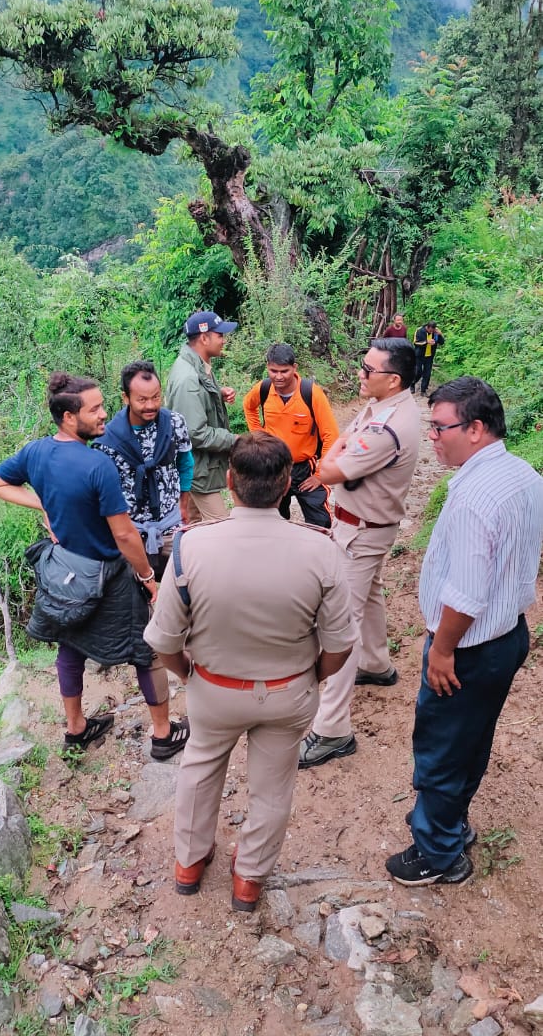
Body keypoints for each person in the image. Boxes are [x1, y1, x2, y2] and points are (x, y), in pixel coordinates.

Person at [144, 432, 357, 912]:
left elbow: (163, 640)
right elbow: (342, 645)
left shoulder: (190, 547)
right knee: (273, 784)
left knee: (199, 768)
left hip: (214, 688)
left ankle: (189, 864)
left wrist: (188, 675)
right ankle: (249, 879)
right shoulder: (321, 549)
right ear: (286, 486)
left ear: (230, 481)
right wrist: (308, 676)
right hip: (288, 691)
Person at [386, 377, 543, 887]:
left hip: (470, 644)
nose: (432, 437)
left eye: (439, 428)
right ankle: (450, 823)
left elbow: (469, 592)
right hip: (508, 635)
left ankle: (437, 852)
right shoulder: (523, 474)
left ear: (475, 429)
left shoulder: (476, 495)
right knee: (471, 738)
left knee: (442, 745)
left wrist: (442, 649)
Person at [0, 372, 187, 761]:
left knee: (71, 646)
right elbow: (125, 535)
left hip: (65, 573)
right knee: (146, 651)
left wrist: (40, 502)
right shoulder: (98, 466)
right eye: (94, 409)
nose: (103, 415)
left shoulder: (36, 453)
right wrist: (149, 578)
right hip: (108, 573)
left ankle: (76, 728)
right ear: (68, 417)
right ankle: (163, 735)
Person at [299, 337, 421, 768]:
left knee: (340, 624)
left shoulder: (388, 428)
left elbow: (330, 467)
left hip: (362, 531)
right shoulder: (385, 406)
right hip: (367, 527)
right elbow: (340, 444)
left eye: (368, 370)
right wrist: (334, 456)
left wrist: (329, 462)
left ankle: (332, 729)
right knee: (369, 596)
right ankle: (376, 663)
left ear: (394, 379)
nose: (360, 374)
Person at [93, 360, 194, 579]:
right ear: (125, 398)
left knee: (187, 583)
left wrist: (184, 504)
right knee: (135, 599)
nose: (151, 405)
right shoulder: (107, 440)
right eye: (142, 399)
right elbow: (104, 493)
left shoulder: (174, 423)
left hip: (171, 523)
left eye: (156, 397)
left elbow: (185, 463)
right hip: (131, 530)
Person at [242, 343, 339, 528]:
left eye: (284, 371)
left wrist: (320, 475)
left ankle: (318, 553)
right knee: (273, 519)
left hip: (305, 468)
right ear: (267, 367)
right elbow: (249, 406)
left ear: (294, 368)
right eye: (273, 370)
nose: (278, 376)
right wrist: (257, 433)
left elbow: (330, 435)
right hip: (272, 466)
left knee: (320, 521)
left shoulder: (311, 394)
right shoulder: (263, 389)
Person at [164, 311, 238, 523]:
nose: (223, 340)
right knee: (222, 526)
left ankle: (188, 556)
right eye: (220, 335)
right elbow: (195, 433)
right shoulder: (188, 378)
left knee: (195, 524)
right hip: (197, 470)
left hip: (198, 467)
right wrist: (234, 441)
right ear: (204, 338)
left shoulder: (197, 365)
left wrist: (217, 393)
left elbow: (194, 404)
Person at [412, 321, 444, 395]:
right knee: (418, 372)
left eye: (433, 331)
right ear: (427, 327)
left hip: (429, 356)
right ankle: (412, 384)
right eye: (430, 330)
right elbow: (416, 342)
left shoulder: (435, 332)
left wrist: (440, 334)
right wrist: (427, 342)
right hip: (419, 355)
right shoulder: (420, 330)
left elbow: (441, 342)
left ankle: (423, 390)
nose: (431, 332)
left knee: (427, 373)